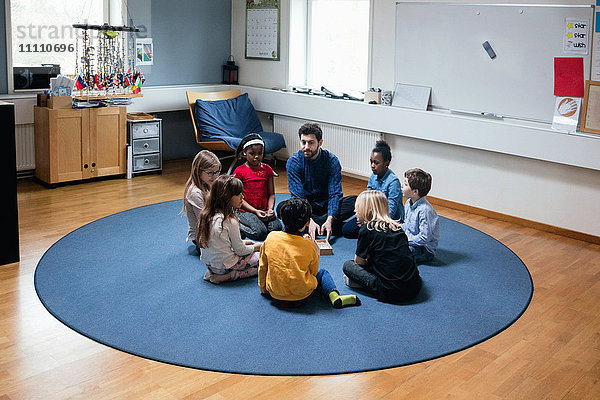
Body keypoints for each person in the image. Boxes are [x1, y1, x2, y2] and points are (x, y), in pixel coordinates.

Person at [258, 197, 361, 309]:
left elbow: (263, 266)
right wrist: (306, 242)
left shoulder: (271, 237)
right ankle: (334, 296)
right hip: (302, 297)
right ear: (307, 223)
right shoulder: (309, 245)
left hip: (275, 295)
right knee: (322, 273)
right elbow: (313, 271)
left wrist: (264, 289)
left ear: (282, 218)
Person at [342, 190, 421, 303]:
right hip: (414, 287)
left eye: (357, 208)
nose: (355, 211)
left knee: (348, 265)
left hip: (390, 291)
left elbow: (358, 262)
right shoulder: (397, 227)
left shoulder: (367, 229)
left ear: (368, 210)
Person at [286, 122, 356, 241]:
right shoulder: (293, 162)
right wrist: (309, 219)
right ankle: (326, 226)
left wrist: (329, 218)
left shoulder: (332, 161)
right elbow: (298, 197)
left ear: (320, 143)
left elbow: (335, 194)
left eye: (311, 143)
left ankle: (315, 226)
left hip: (326, 205)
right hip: (306, 206)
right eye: (303, 142)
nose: (306, 147)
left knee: (355, 201)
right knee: (284, 207)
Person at [196, 175, 262, 284]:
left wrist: (245, 243)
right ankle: (231, 275)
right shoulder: (229, 220)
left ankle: (217, 274)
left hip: (211, 266)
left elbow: (222, 242)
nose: (242, 197)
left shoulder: (206, 215)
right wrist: (256, 247)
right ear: (226, 197)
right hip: (227, 266)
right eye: (238, 194)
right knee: (264, 258)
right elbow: (240, 251)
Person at [342, 139, 403, 238]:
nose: (372, 166)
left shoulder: (393, 182)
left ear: (386, 163)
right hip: (373, 216)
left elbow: (391, 211)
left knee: (370, 233)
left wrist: (373, 222)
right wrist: (363, 215)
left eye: (376, 163)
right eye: (371, 162)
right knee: (347, 230)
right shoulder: (372, 177)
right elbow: (368, 201)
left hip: (388, 219)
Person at [233, 133, 283, 241]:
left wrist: (270, 209)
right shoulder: (239, 171)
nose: (256, 156)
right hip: (246, 211)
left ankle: (260, 221)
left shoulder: (267, 169)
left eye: (260, 153)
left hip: (264, 209)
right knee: (260, 233)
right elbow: (238, 198)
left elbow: (271, 194)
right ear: (245, 152)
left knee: (277, 228)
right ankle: (236, 225)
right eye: (252, 153)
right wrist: (255, 211)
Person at [401, 168, 440, 264]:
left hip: (424, 249)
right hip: (410, 241)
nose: (402, 185)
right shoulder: (408, 203)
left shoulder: (425, 211)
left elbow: (424, 238)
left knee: (398, 254)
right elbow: (406, 225)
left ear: (415, 192)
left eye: (405, 184)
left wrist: (404, 241)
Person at [182, 150, 221, 246]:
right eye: (210, 173)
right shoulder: (195, 193)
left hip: (213, 227)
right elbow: (204, 221)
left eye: (217, 172)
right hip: (201, 237)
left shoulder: (208, 183)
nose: (215, 176)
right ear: (198, 171)